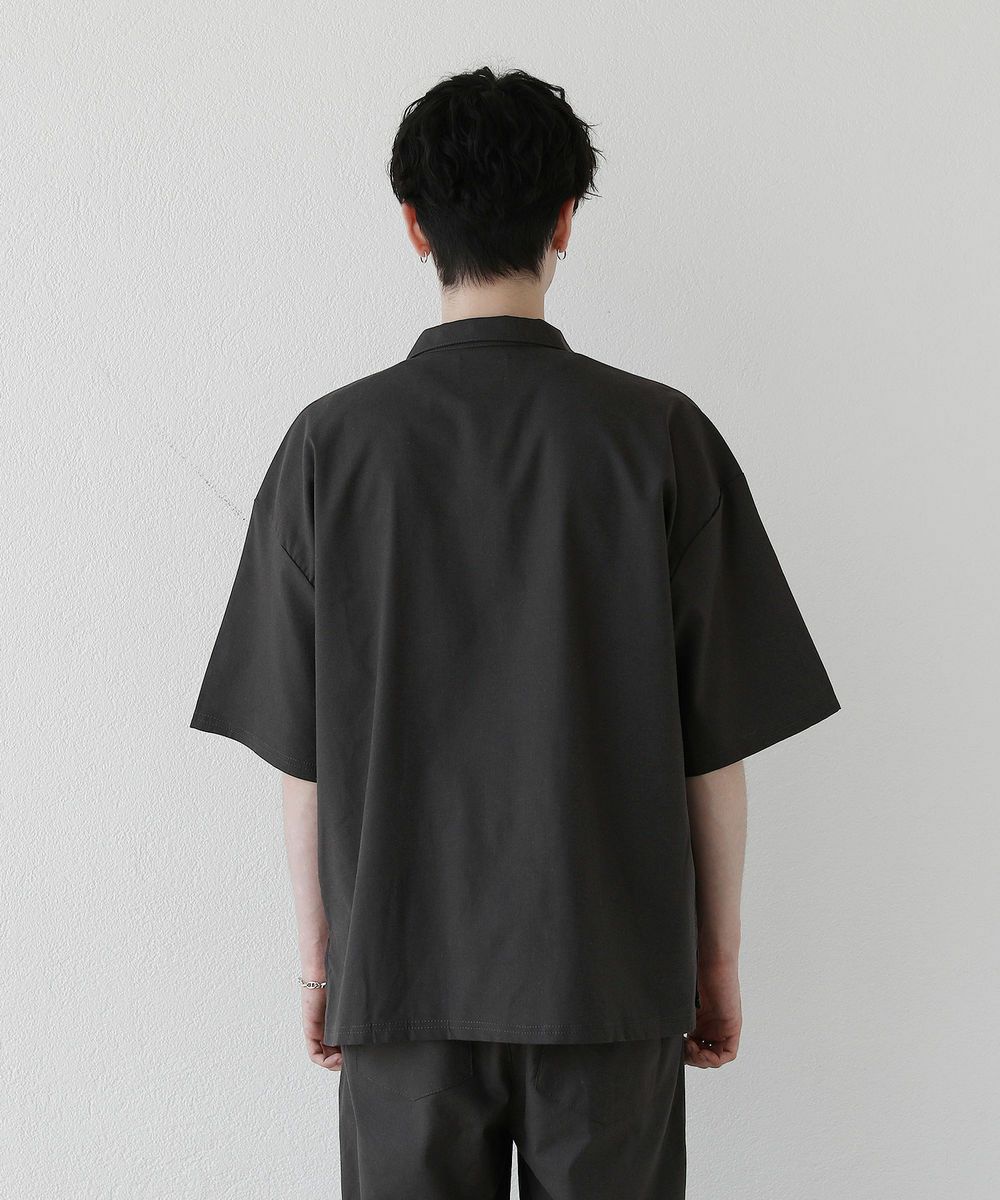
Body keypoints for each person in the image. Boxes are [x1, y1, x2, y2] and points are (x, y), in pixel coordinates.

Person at [189, 65, 841, 1200]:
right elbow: (714, 754)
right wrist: (715, 960)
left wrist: (320, 969)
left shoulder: (329, 449)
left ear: (413, 225)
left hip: (400, 981)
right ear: (564, 221)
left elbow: (304, 765)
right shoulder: (660, 438)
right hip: (610, 979)